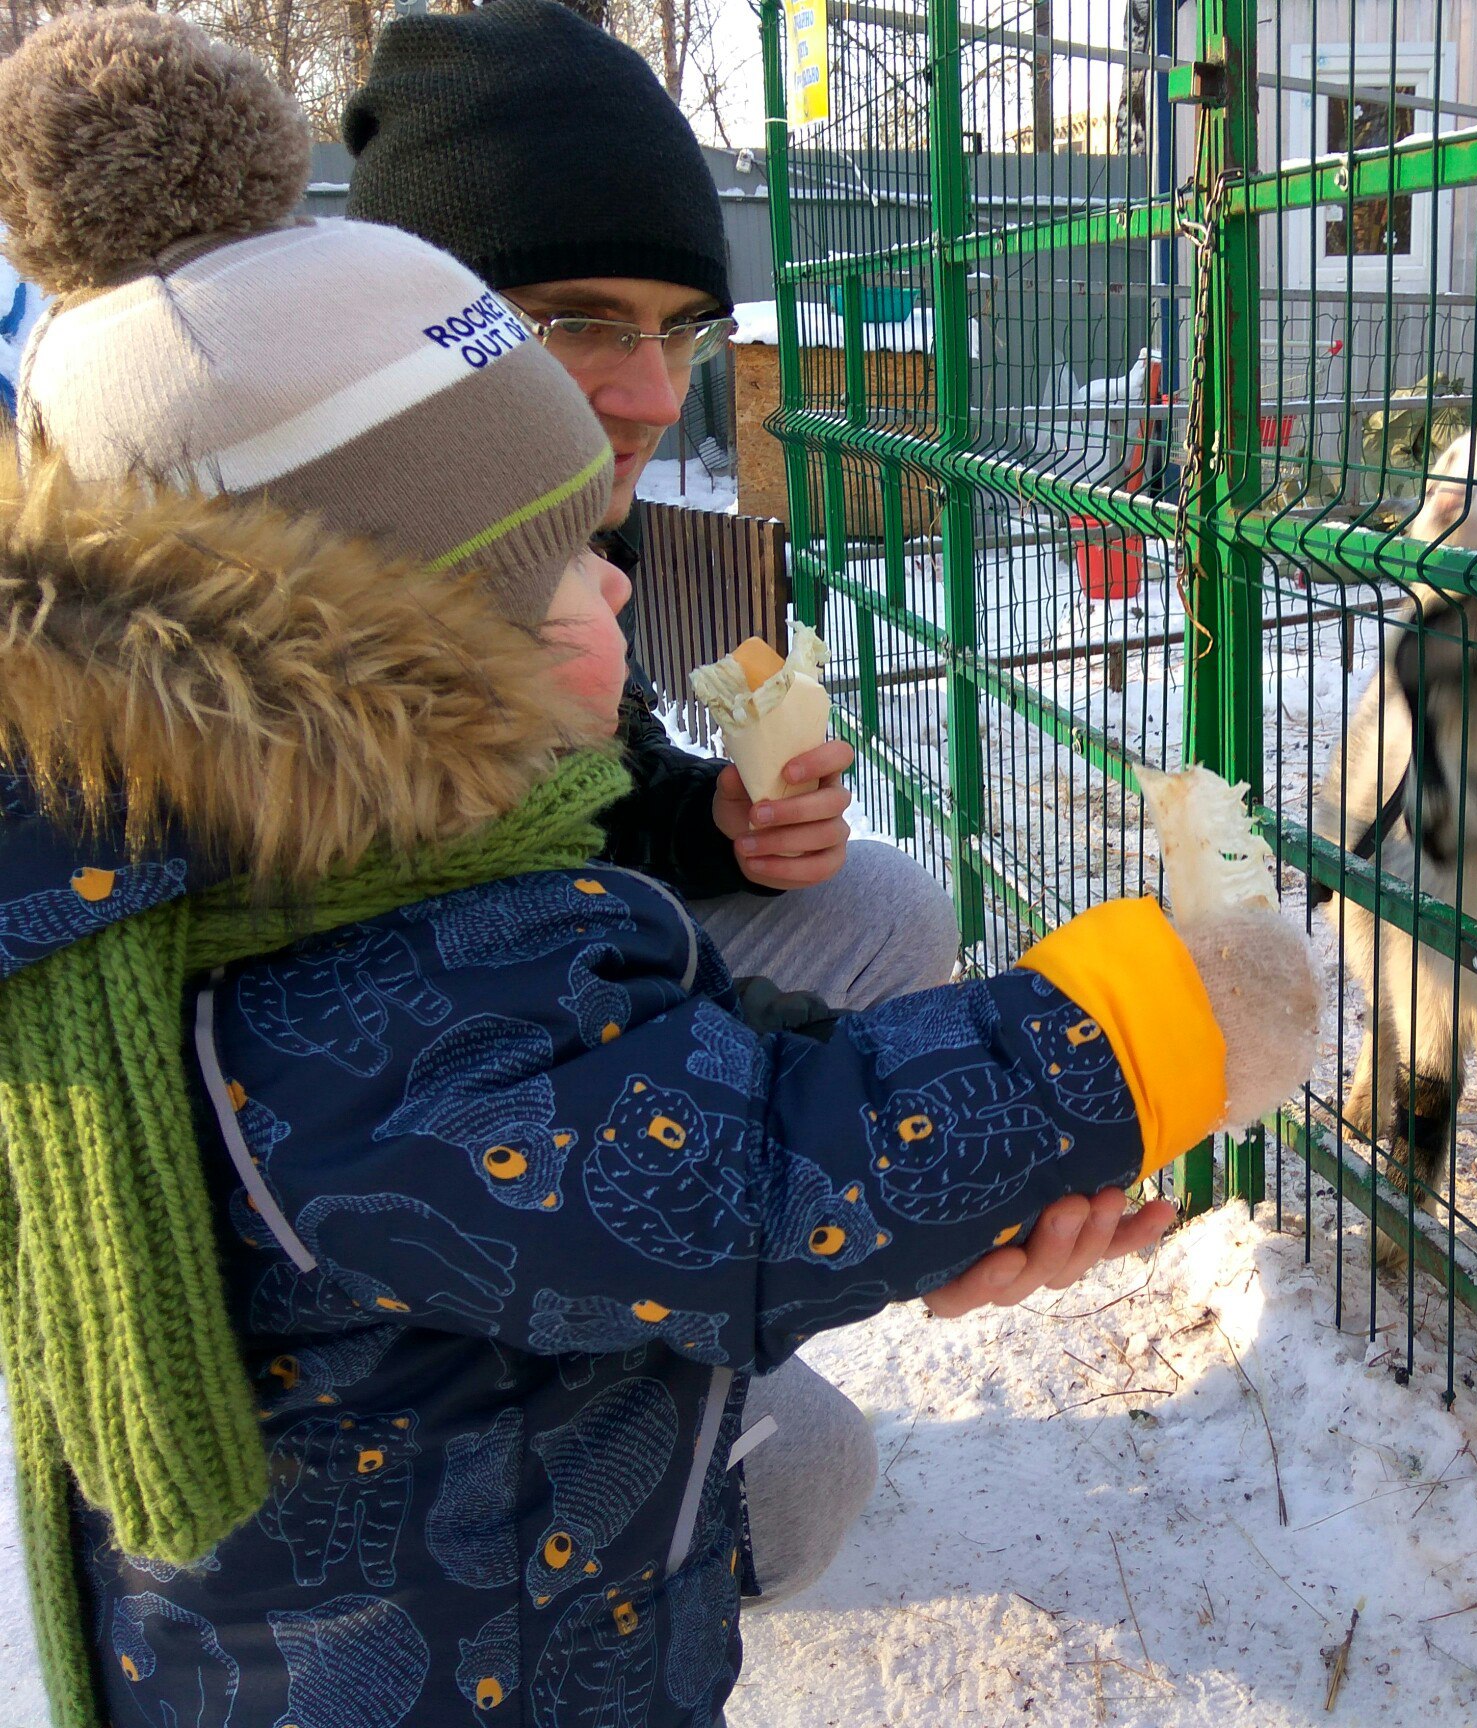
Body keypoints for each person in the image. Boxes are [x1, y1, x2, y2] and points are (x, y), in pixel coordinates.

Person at [0, 12, 1318, 1727]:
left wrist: (720, 861)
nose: (619, 571)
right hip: (463, 1662)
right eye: (576, 331)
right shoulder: (368, 1017)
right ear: (385, 660)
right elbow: (743, 1178)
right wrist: (1137, 1033)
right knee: (773, 1383)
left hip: (465, 1555)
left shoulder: (275, 838)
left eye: (684, 333)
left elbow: (633, 1050)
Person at [334, 0, 1164, 1605]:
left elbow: (570, 841)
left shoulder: (544, 530)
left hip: (492, 1097)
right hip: (358, 1274)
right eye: (578, 320)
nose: (652, 396)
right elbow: (484, 1059)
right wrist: (916, 1161)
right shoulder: (327, 633)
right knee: (798, 1487)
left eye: (681, 331)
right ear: (416, 331)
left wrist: (698, 818)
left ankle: (674, 1349)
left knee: (889, 903)